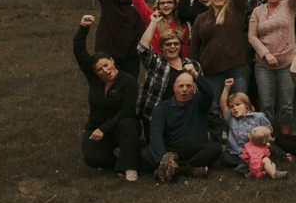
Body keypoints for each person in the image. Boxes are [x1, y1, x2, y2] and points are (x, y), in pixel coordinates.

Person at [73, 14, 141, 181]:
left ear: (112, 61)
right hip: (97, 126)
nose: (105, 70)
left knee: (128, 124)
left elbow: (126, 110)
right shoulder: (95, 79)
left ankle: (129, 167)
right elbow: (80, 52)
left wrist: (103, 128)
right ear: (95, 73)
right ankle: (117, 165)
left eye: (106, 65)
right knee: (92, 158)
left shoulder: (128, 81)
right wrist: (83, 28)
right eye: (100, 69)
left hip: (123, 125)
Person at [247, 0, 296, 132]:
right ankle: (267, 137)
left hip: (287, 62)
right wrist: (265, 53)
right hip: (264, 65)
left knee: (286, 103)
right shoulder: (258, 11)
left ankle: (285, 138)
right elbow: (252, 36)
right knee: (266, 103)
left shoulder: (289, 6)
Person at [143, 69, 223, 183]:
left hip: (194, 149)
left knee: (215, 148)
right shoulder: (162, 108)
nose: (184, 90)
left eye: (189, 86)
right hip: (170, 152)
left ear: (194, 88)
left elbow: (209, 92)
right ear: (174, 88)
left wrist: (195, 74)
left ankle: (172, 170)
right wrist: (163, 160)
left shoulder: (200, 102)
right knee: (147, 153)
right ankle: (189, 170)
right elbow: (156, 134)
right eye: (181, 86)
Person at [190, 0, 252, 100]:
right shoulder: (201, 19)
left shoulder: (235, 11)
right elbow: (195, 46)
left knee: (238, 103)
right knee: (214, 107)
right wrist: (193, 68)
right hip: (212, 70)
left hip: (238, 68)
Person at [134, 16, 203, 120]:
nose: (172, 47)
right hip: (156, 116)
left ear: (180, 46)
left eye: (176, 44)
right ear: (162, 47)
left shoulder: (194, 65)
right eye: (168, 44)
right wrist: (153, 22)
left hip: (184, 117)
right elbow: (142, 48)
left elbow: (202, 91)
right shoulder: (155, 62)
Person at [218, 80, 272, 171]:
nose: (235, 108)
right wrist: (227, 88)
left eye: (238, 105)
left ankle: (251, 164)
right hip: (236, 153)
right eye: (231, 107)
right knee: (225, 159)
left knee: (271, 149)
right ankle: (256, 164)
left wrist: (259, 137)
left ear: (246, 105)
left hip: (255, 150)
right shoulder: (231, 118)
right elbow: (222, 105)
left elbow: (269, 130)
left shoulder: (258, 117)